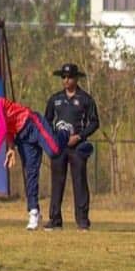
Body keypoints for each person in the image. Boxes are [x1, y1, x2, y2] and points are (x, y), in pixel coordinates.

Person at [0, 82, 66, 230]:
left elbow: (1, 129)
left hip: (31, 123)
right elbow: (7, 128)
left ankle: (65, 132)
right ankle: (34, 212)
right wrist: (11, 148)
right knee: (30, 173)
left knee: (54, 152)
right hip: (21, 135)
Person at [43, 63, 100, 231]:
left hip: (77, 147)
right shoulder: (55, 99)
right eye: (64, 77)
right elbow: (46, 121)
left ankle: (82, 221)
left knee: (80, 182)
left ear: (76, 78)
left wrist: (80, 136)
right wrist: (53, 137)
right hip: (59, 147)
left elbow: (95, 122)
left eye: (69, 77)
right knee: (57, 182)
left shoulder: (85, 99)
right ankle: (55, 219)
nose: (66, 80)